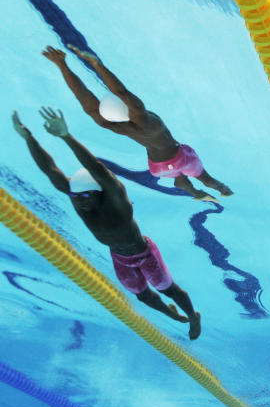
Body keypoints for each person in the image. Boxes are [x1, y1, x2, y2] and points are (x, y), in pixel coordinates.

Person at [12, 108, 202, 338]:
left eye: (85, 197)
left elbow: (97, 169)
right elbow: (49, 169)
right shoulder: (76, 194)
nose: (79, 202)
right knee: (143, 295)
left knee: (167, 289)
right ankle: (172, 315)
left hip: (143, 253)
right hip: (119, 257)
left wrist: (66, 137)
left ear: (98, 192)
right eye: (76, 197)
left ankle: (193, 317)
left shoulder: (115, 198)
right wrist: (28, 138)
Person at [42, 45, 232, 202]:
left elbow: (83, 97)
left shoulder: (116, 126)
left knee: (179, 179)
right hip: (180, 157)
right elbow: (121, 92)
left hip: (158, 168)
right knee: (205, 178)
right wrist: (96, 64)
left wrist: (62, 65)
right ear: (126, 106)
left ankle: (196, 194)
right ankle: (224, 190)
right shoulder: (147, 121)